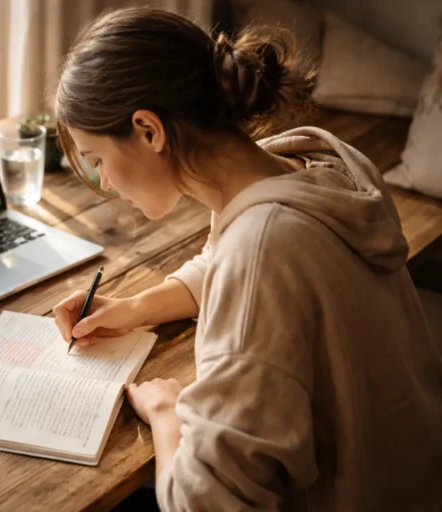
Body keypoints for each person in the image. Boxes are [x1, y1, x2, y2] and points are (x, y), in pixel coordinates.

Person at [51, 7, 442, 511]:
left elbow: (207, 503)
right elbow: (228, 258)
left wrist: (170, 413)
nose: (104, 182)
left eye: (99, 159)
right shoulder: (319, 166)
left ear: (149, 130)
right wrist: (138, 306)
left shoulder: (259, 251)